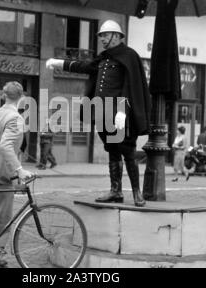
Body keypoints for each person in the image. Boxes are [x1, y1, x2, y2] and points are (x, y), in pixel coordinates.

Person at [46, 20, 152, 207]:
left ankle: (137, 193)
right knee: (112, 150)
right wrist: (59, 63)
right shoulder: (104, 58)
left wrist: (123, 111)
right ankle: (116, 191)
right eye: (101, 36)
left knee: (127, 151)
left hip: (120, 115)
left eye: (105, 35)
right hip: (102, 113)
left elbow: (131, 85)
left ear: (117, 36)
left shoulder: (130, 56)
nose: (101, 38)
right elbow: (84, 66)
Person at [0, 82, 33, 267]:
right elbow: (5, 146)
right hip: (1, 174)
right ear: (22, 98)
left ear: (3, 95)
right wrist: (19, 170)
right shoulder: (15, 118)